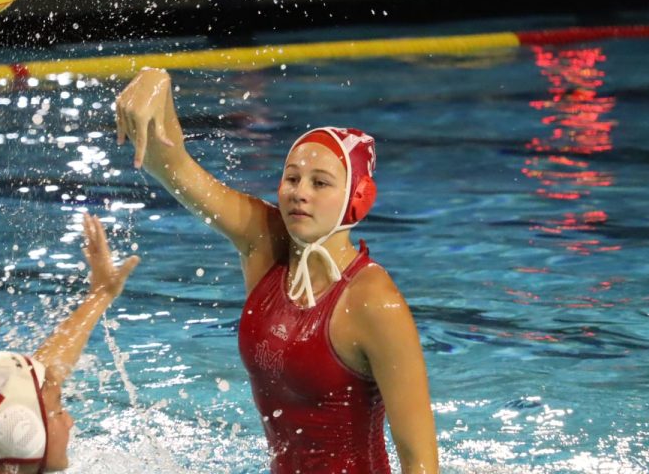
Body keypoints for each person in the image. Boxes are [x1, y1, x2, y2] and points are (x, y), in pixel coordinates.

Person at [115, 68, 439, 474]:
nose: (300, 192)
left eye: (320, 183)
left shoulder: (374, 302)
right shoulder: (264, 243)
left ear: (358, 198)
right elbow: (170, 166)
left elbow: (421, 462)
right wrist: (154, 80)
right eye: (292, 178)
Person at [0, 213, 139, 473]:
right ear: (22, 433)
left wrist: (99, 295)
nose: (70, 421)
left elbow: (42, 376)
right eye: (58, 411)